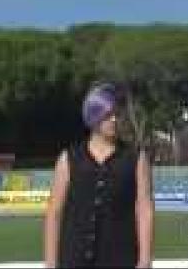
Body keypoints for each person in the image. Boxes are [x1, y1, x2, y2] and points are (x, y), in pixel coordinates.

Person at [44, 83, 154, 268]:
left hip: (121, 257)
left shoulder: (135, 158)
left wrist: (145, 259)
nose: (114, 120)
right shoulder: (69, 159)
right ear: (93, 115)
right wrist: (51, 262)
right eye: (108, 114)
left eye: (117, 114)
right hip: (73, 257)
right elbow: (54, 213)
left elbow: (144, 209)